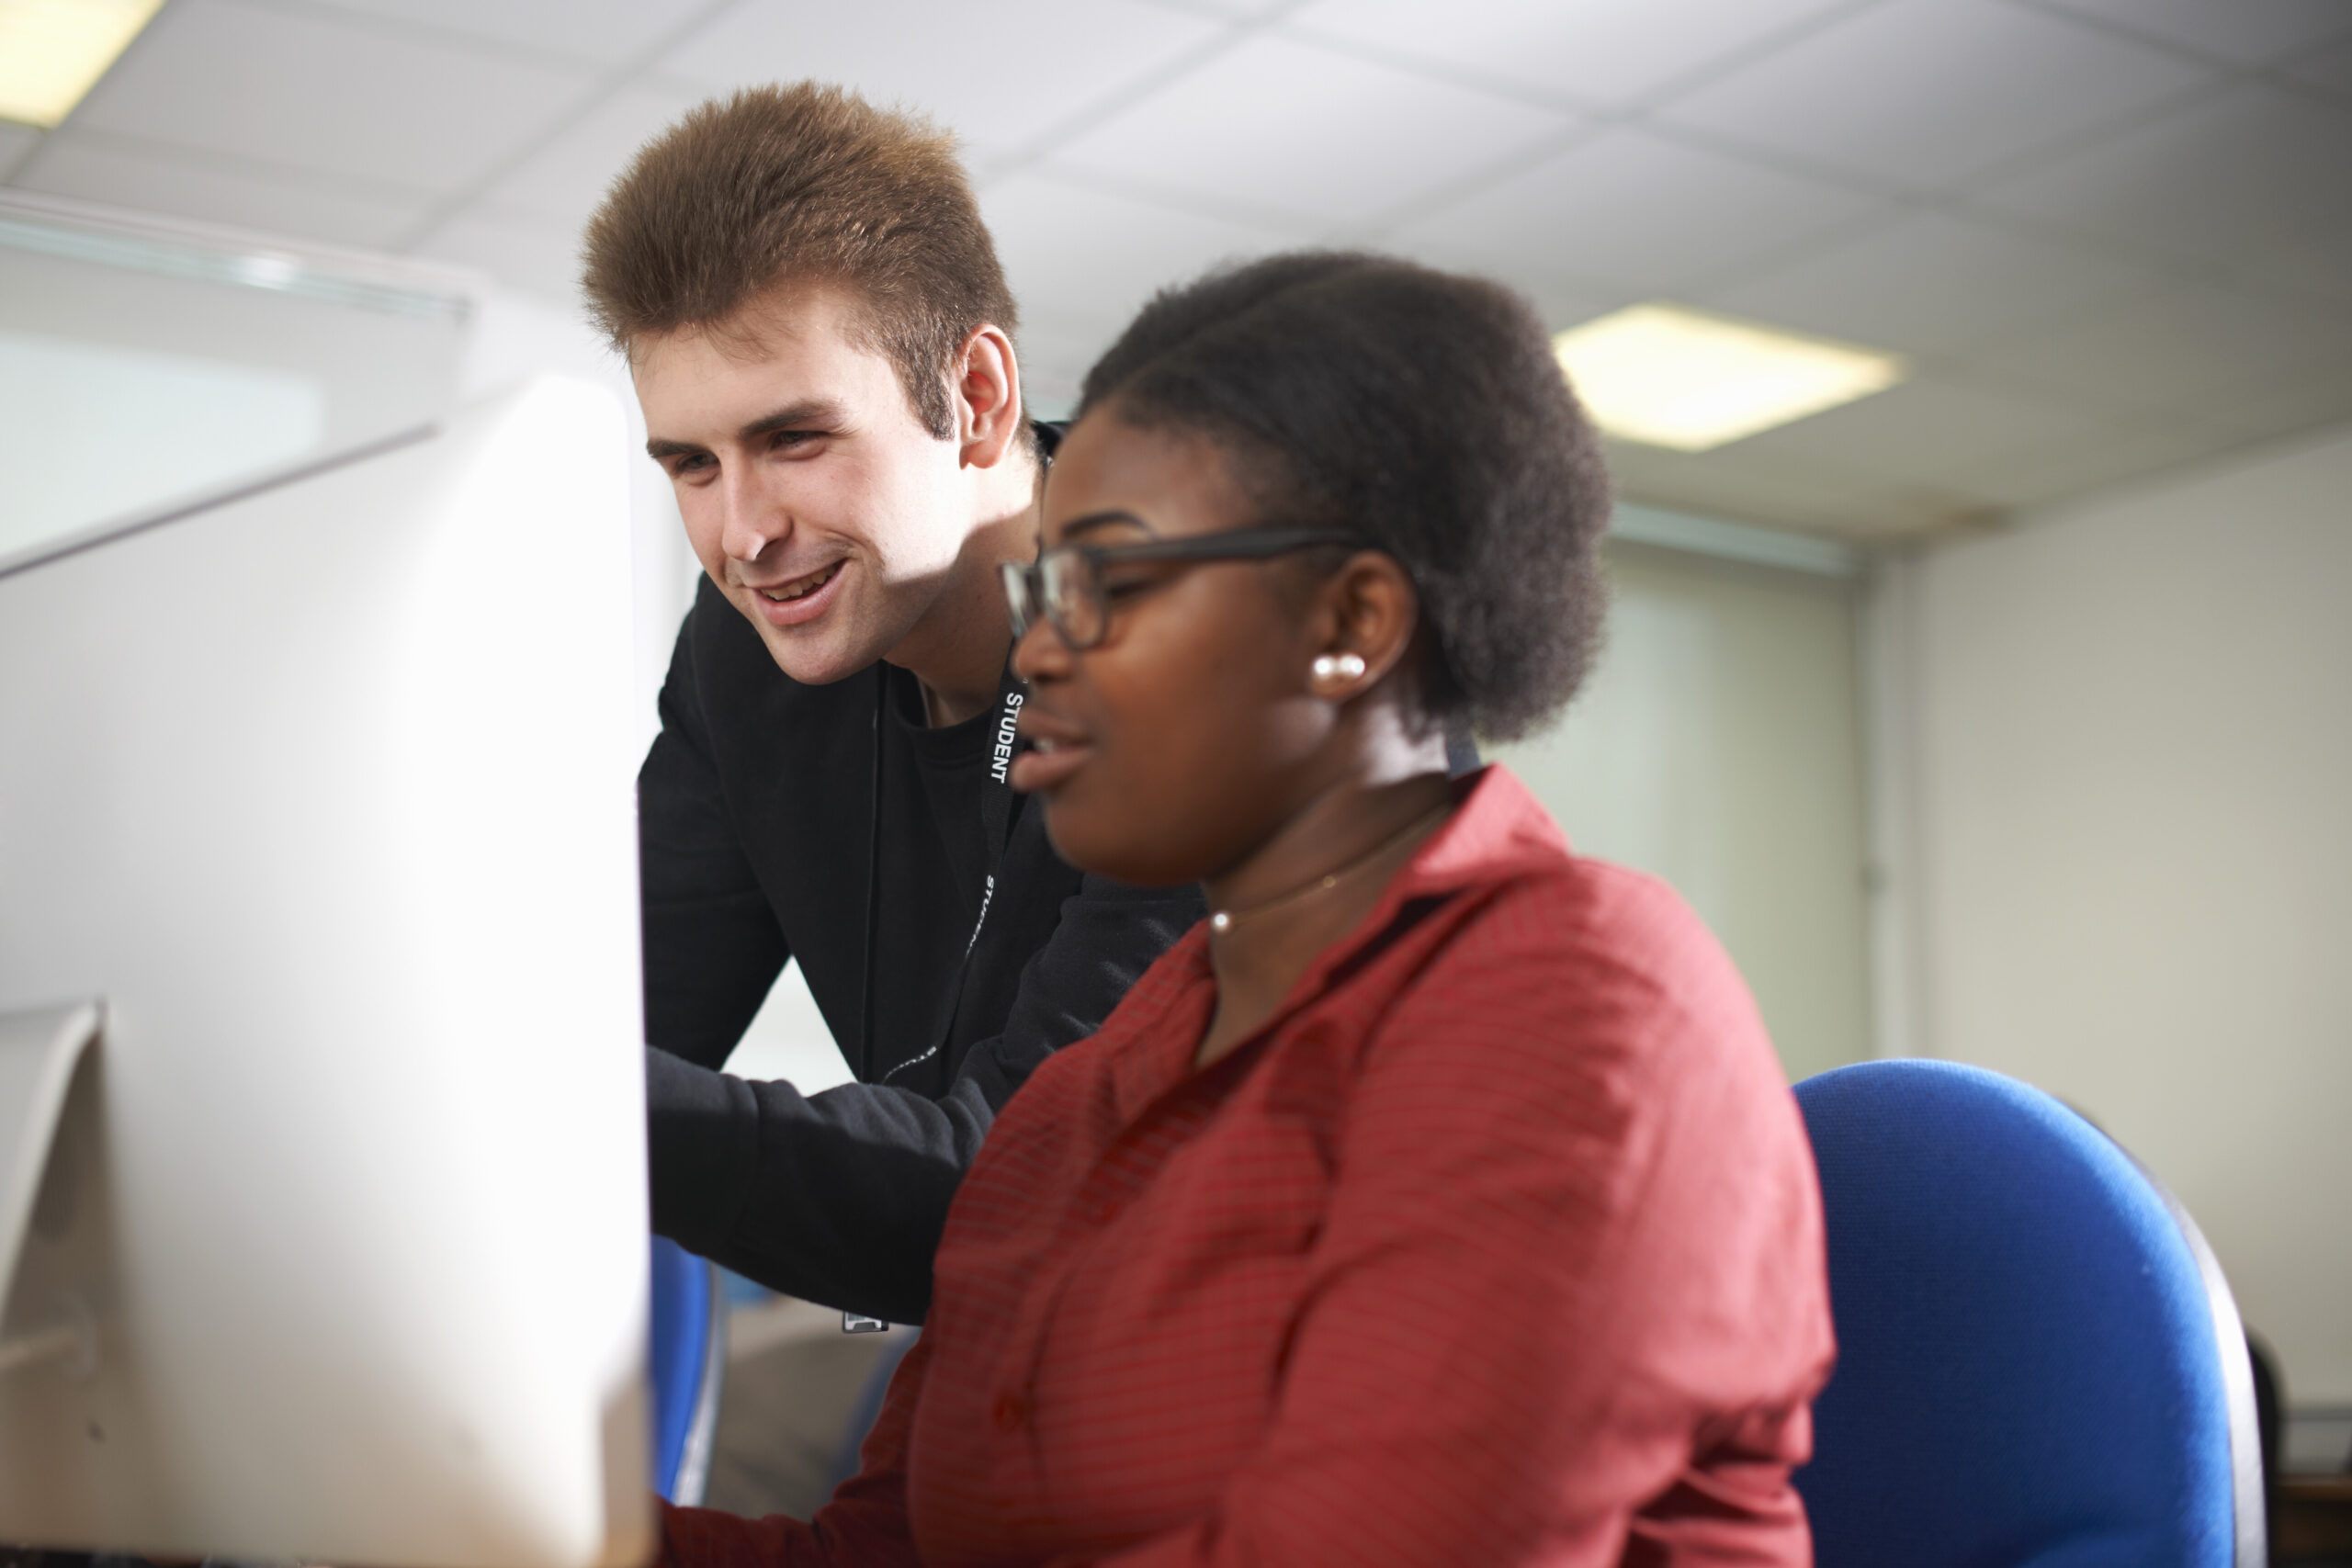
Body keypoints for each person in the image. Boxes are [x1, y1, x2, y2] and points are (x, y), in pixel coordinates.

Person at [655, 252, 1837, 1566]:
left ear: (1351, 621)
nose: (1038, 647)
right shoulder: (1083, 1101)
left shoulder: (1581, 1007)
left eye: (1103, 583)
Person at [580, 84, 1204, 1325]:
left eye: (796, 439)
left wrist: (532, 1087)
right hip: (1034, 1361)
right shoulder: (745, 660)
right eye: (692, 466)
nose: (743, 535)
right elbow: (615, 1011)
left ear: (975, 401)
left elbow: (1022, 1195)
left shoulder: (1198, 656)